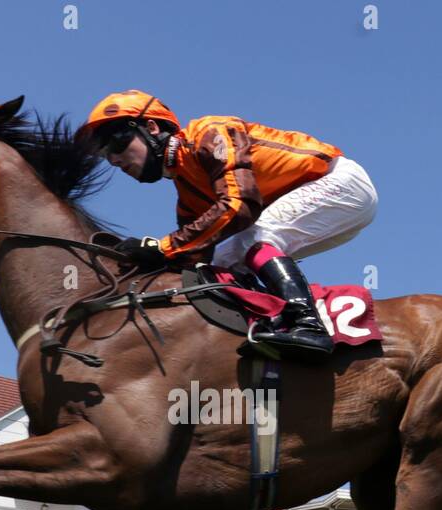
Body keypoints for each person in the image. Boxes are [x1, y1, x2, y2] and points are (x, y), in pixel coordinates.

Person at [77, 90, 378, 362]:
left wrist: (161, 247)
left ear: (152, 128)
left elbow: (239, 206)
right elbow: (194, 255)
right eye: (105, 154)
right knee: (218, 260)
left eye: (117, 143)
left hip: (339, 184)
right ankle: (269, 323)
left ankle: (307, 325)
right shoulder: (188, 195)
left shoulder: (211, 133)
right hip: (320, 205)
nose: (114, 160)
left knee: (252, 238)